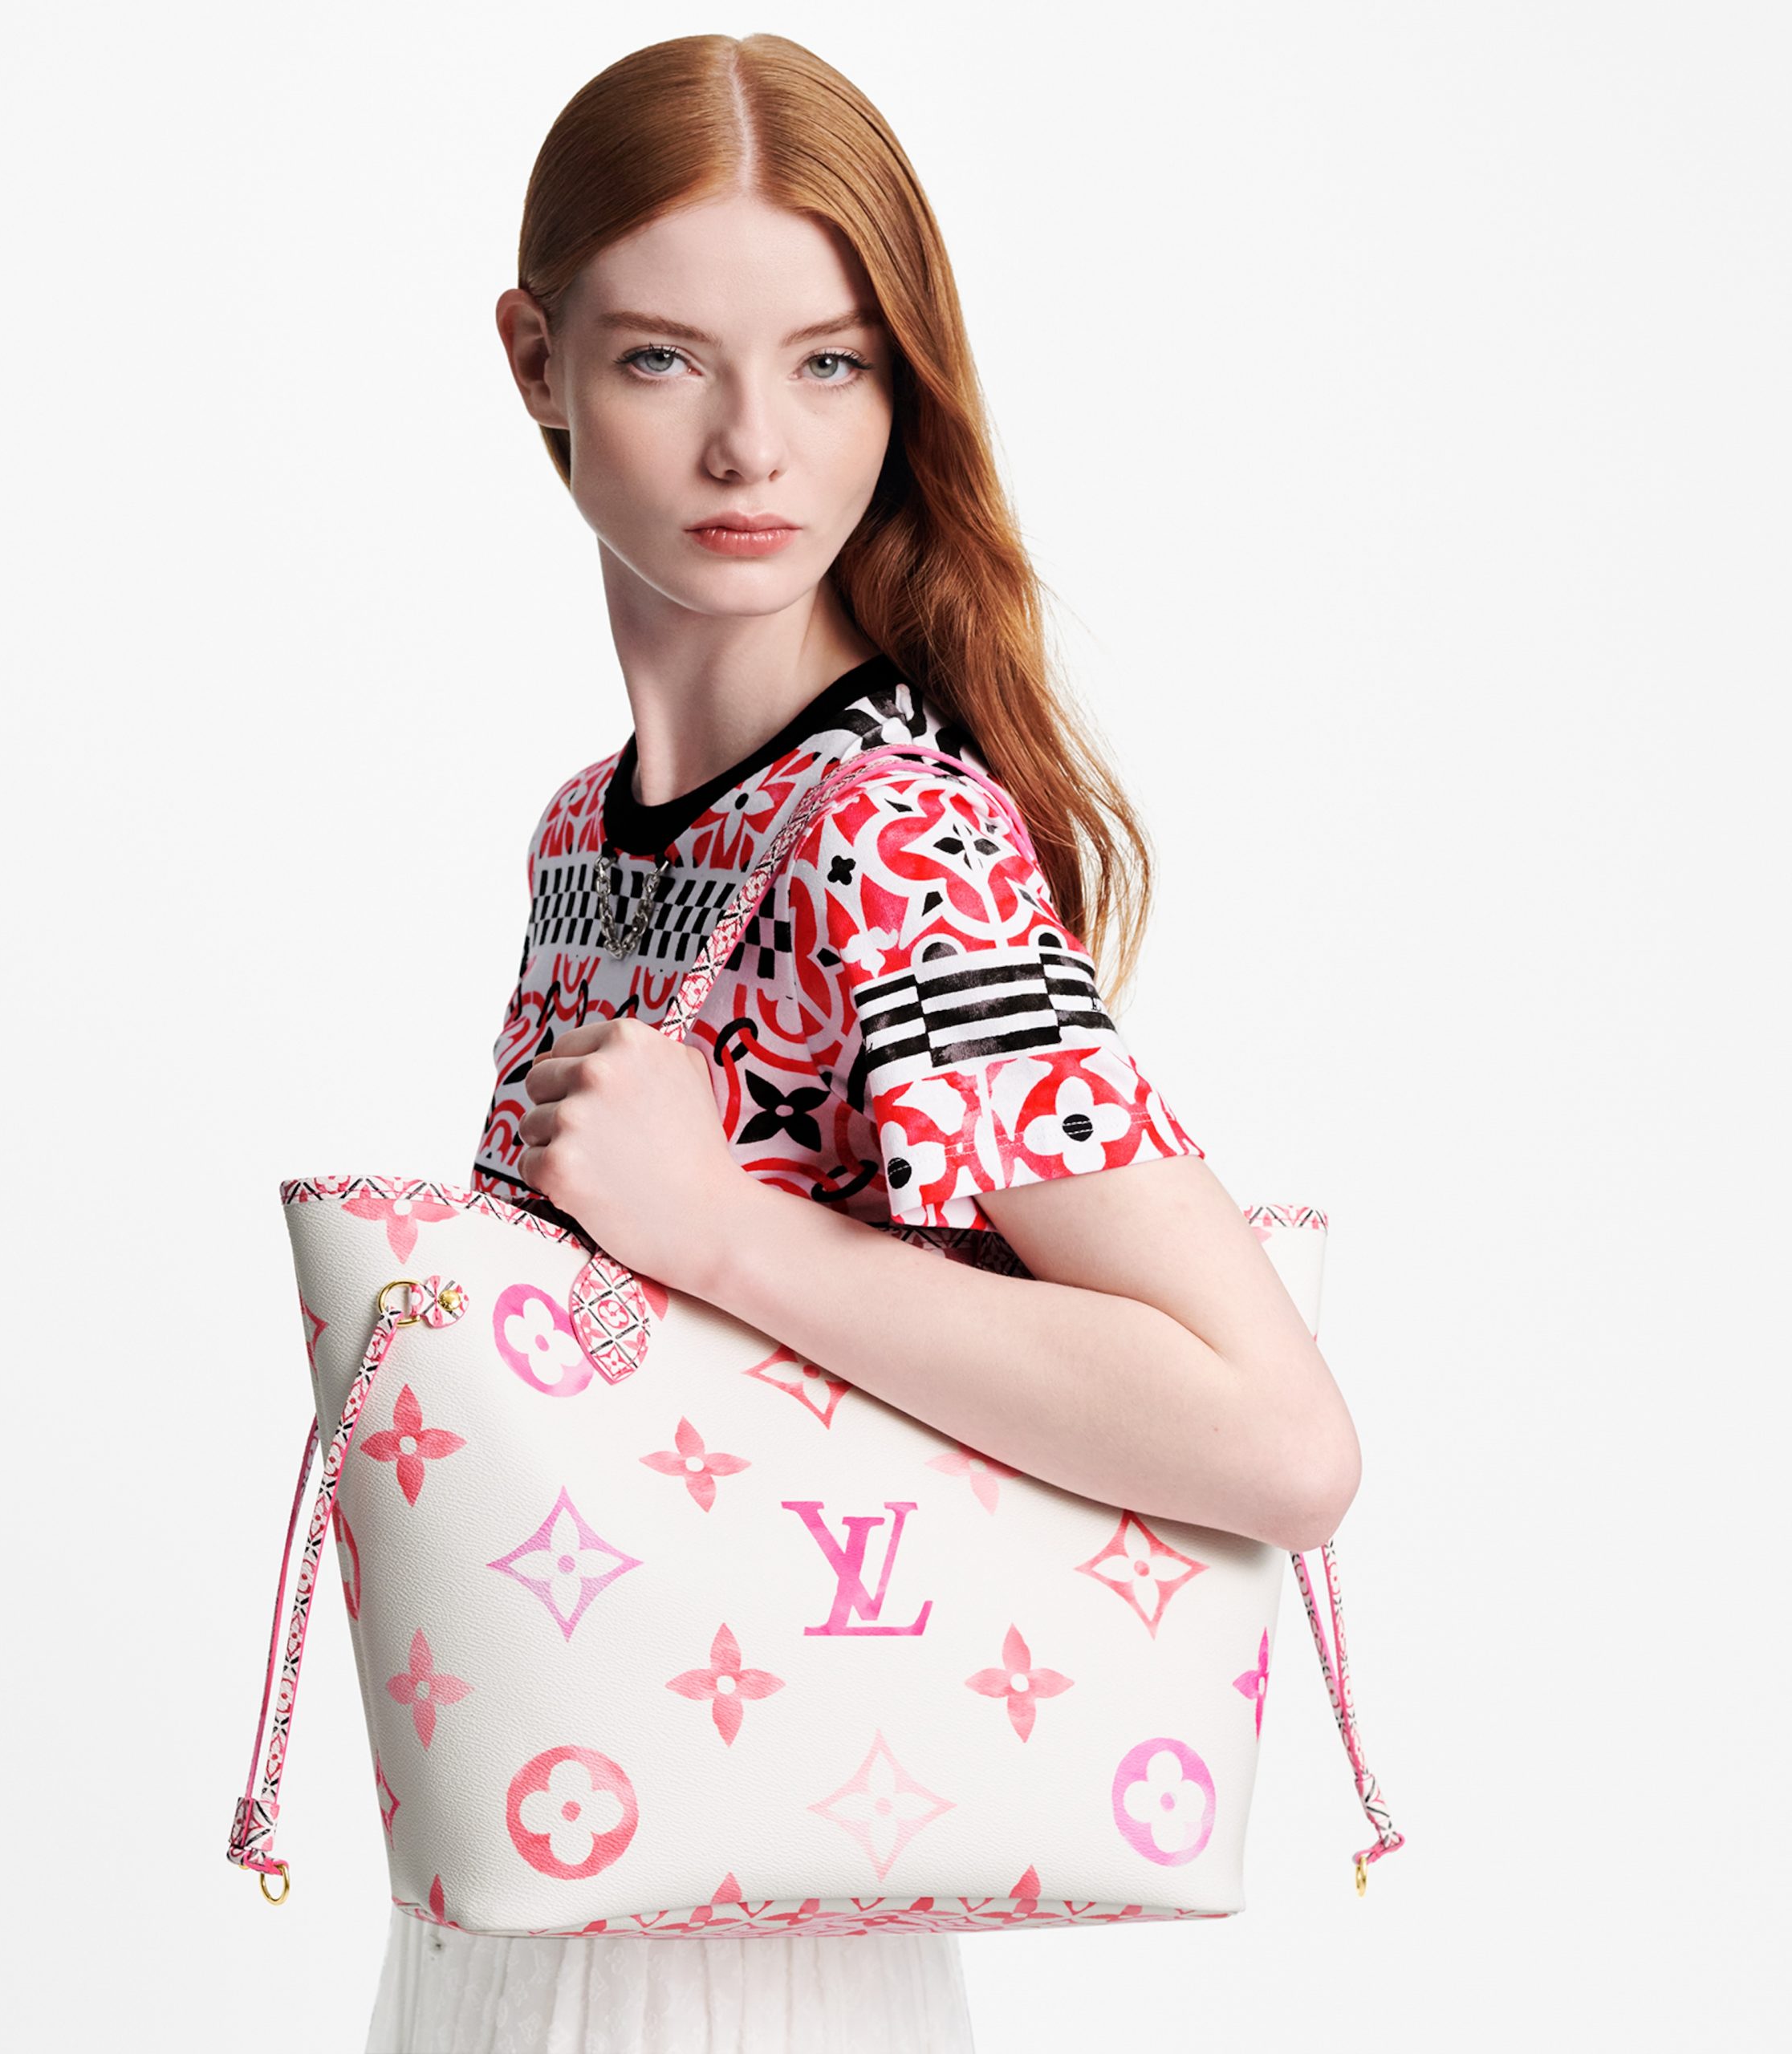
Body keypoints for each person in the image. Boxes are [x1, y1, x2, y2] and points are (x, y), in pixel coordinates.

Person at [365, 30, 1361, 2054]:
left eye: (828, 362)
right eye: (664, 358)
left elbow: (1276, 1439)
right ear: (533, 362)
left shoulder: (892, 834)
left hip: (749, 1930)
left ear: (902, 385)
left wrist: (725, 1231)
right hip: (547, 1860)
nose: (753, 447)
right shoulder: (588, 830)